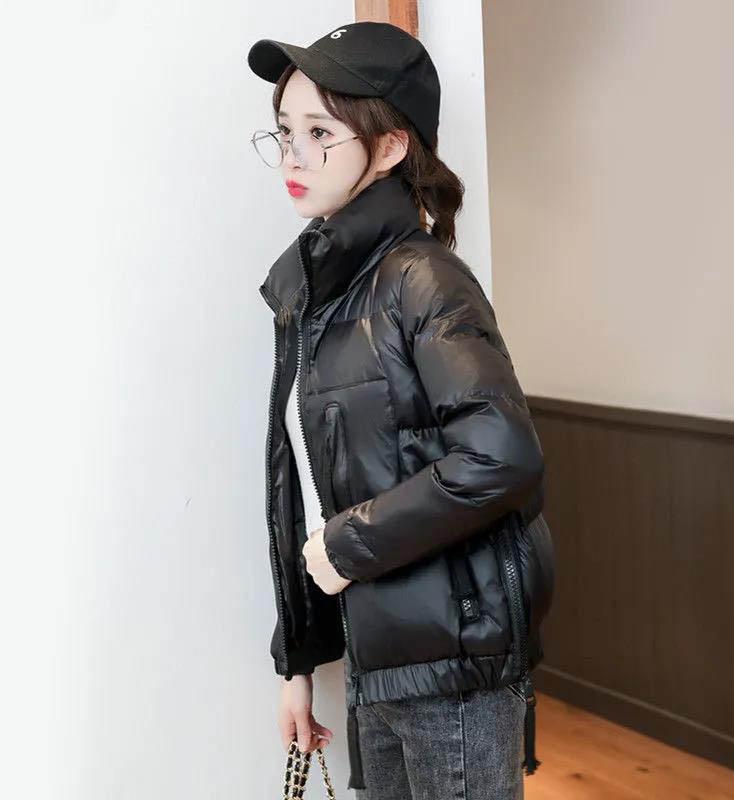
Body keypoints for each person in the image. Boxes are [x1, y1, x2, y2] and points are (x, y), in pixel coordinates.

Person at [247, 21, 555, 800]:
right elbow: (309, 491)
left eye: (320, 133)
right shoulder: (316, 294)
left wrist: (348, 546)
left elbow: (502, 457)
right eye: (285, 131)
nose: (292, 156)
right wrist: (299, 664)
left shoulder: (422, 279)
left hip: (455, 669)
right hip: (376, 658)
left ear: (387, 148)